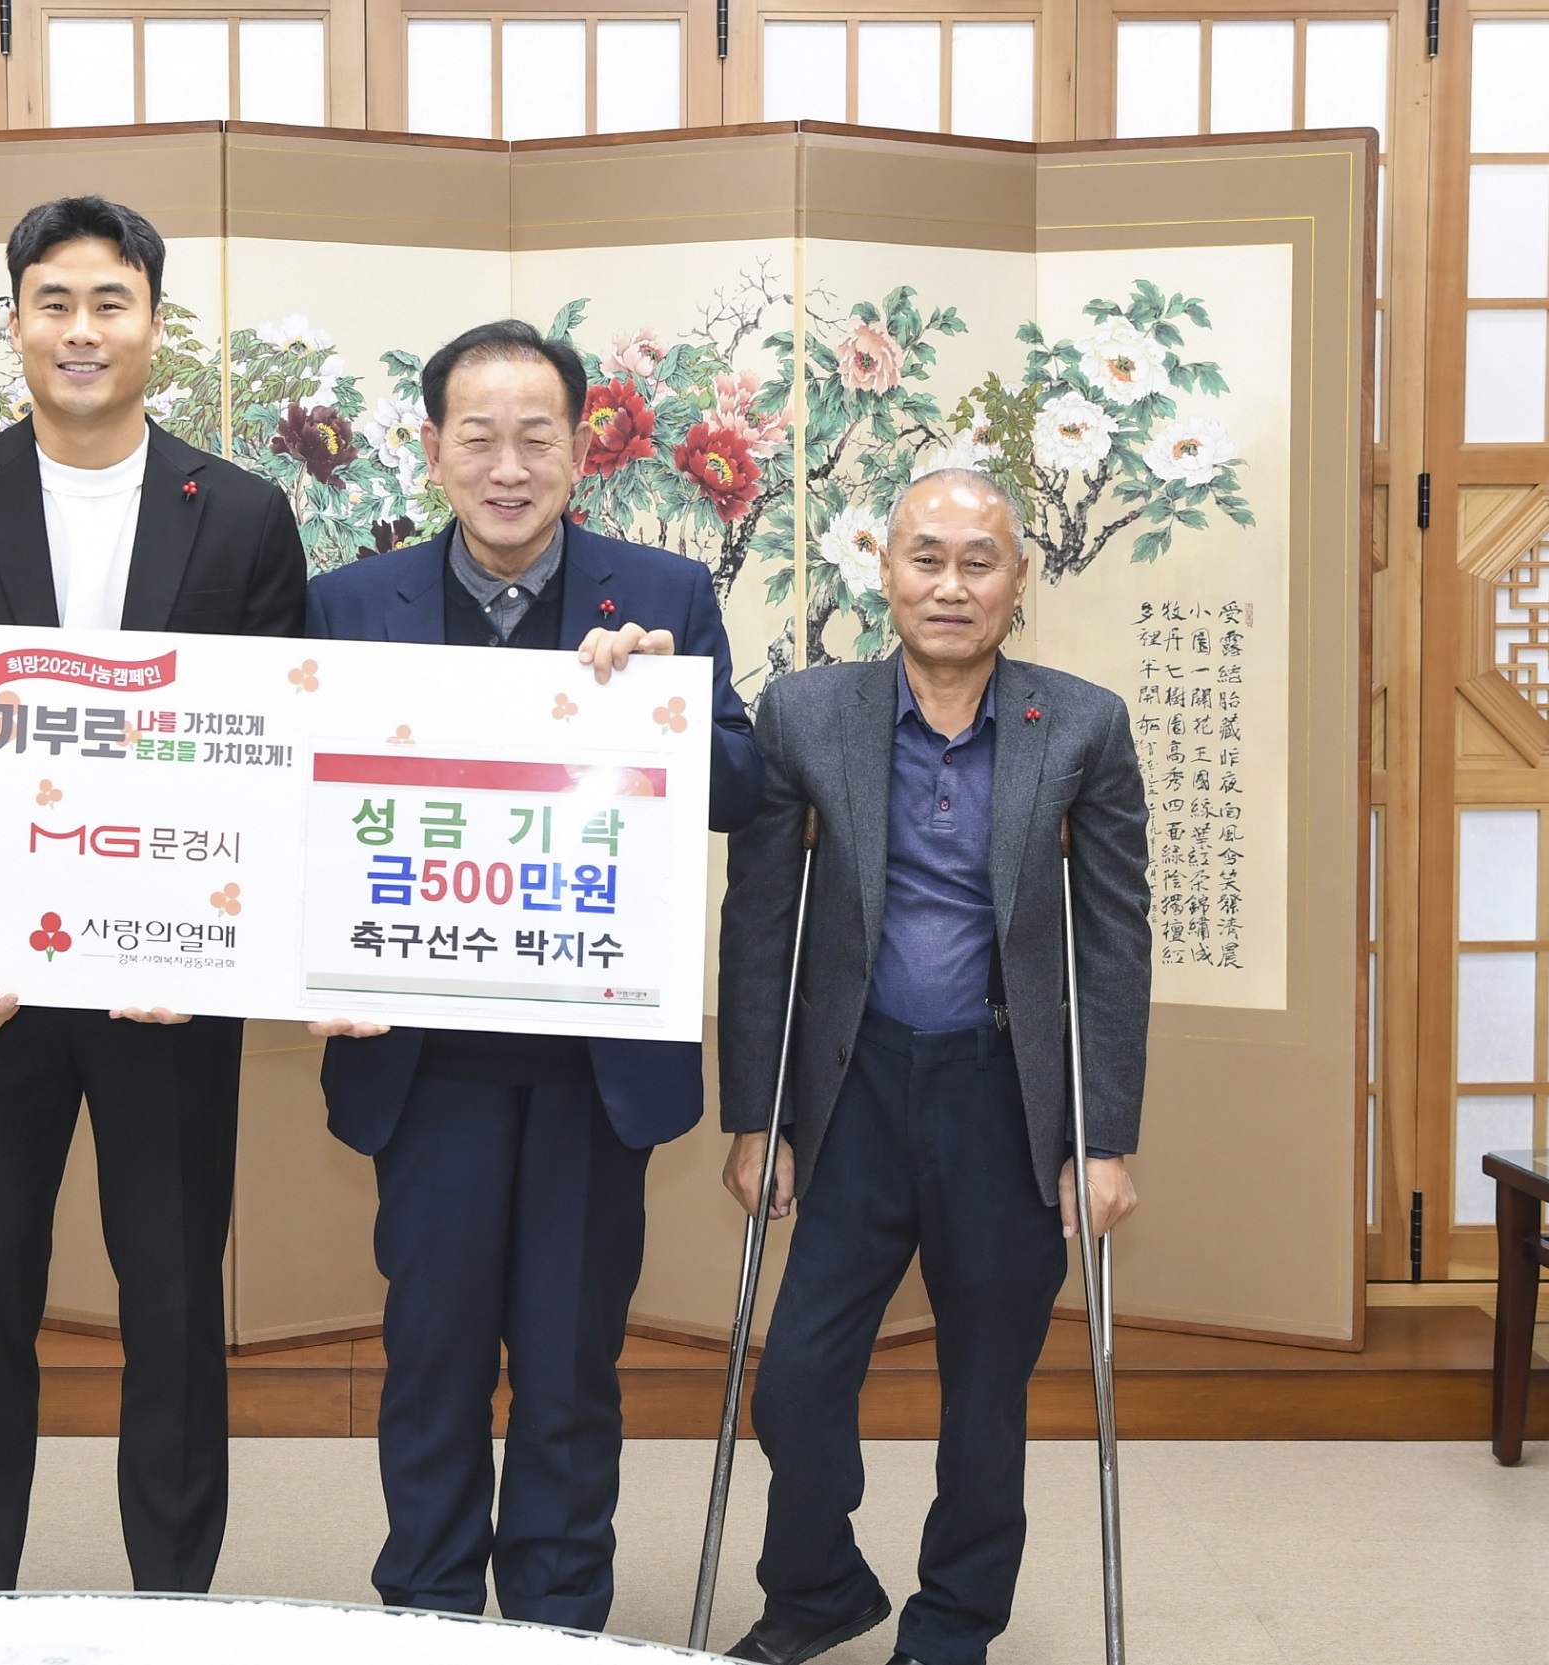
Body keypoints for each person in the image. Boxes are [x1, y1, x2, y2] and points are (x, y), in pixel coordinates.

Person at [303, 320, 766, 1631]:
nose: (507, 468)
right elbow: (292, 805)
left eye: (535, 438)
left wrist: (666, 710)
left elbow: (743, 788)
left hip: (589, 1063)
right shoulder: (351, 604)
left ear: (580, 449)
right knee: (431, 1361)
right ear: (432, 448)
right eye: (479, 438)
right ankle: (429, 1613)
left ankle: (561, 1621)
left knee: (570, 1370)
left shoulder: (662, 595)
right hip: (424, 1063)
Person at [0, 196, 308, 1594]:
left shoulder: (240, 514)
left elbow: (273, 752)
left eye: (109, 302)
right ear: (15, 322)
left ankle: (173, 1601)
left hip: (168, 987)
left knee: (174, 1302)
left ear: (153, 326)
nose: (80, 329)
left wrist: (211, 946)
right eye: (52, 302)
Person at [713, 468, 1148, 1665]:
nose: (949, 586)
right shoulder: (805, 714)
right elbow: (760, 927)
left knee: (984, 1399)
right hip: (852, 1089)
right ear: (885, 570)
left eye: (977, 562)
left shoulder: (1083, 725)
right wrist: (754, 1116)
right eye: (926, 558)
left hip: (1005, 1098)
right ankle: (815, 1588)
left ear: (1018, 580)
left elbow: (1113, 939)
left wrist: (1102, 1138)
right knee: (795, 1384)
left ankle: (953, 1625)